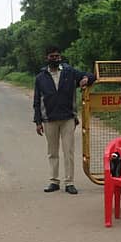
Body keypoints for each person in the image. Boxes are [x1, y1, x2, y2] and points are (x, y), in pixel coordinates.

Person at [33, 47, 95, 194]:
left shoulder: (69, 72)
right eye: (51, 56)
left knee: (69, 151)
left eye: (57, 56)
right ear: (46, 57)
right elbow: (37, 101)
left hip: (68, 118)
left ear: (60, 57)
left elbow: (90, 76)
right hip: (49, 119)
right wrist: (38, 121)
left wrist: (87, 79)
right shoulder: (40, 77)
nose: (55, 58)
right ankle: (54, 181)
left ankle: (69, 182)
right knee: (52, 152)